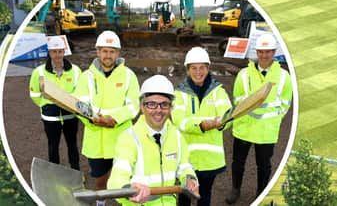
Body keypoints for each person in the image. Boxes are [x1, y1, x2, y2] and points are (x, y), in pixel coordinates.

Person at [108, 75, 199, 205]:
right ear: (142, 106)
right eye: (152, 104)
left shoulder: (176, 136)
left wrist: (189, 178)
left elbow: (184, 166)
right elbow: (117, 179)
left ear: (171, 107)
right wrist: (129, 189)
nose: (158, 110)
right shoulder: (128, 138)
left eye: (164, 104)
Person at [226, 33, 293, 204]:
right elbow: (237, 98)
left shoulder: (284, 77)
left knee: (264, 165)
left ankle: (260, 192)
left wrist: (275, 119)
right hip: (244, 127)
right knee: (238, 162)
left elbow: (285, 103)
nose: (264, 55)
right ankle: (235, 190)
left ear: (273, 52)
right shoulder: (243, 74)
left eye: (268, 52)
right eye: (261, 51)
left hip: (266, 130)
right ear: (256, 52)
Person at [75, 31, 140, 204]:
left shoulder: (128, 76)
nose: (108, 55)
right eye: (104, 51)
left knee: (125, 178)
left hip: (121, 139)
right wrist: (94, 119)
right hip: (96, 140)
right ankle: (100, 203)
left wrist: (114, 119)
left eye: (112, 51)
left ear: (118, 53)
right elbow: (80, 106)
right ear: (98, 52)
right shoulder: (86, 77)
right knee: (100, 180)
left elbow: (134, 105)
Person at [172, 47, 232, 206]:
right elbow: (178, 120)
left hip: (209, 160)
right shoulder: (179, 93)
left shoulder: (218, 92)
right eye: (194, 68)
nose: (198, 72)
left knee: (204, 196)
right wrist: (202, 125)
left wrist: (221, 124)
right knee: (184, 197)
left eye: (202, 68)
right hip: (186, 159)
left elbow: (228, 116)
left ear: (208, 68)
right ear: (188, 69)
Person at [29, 36, 81, 170]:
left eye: (60, 51)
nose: (57, 55)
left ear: (64, 51)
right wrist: (45, 105)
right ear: (50, 52)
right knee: (53, 145)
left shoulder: (75, 71)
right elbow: (34, 94)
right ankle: (55, 174)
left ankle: (76, 172)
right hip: (50, 117)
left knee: (72, 144)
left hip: (70, 115)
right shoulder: (39, 72)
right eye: (54, 52)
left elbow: (81, 92)